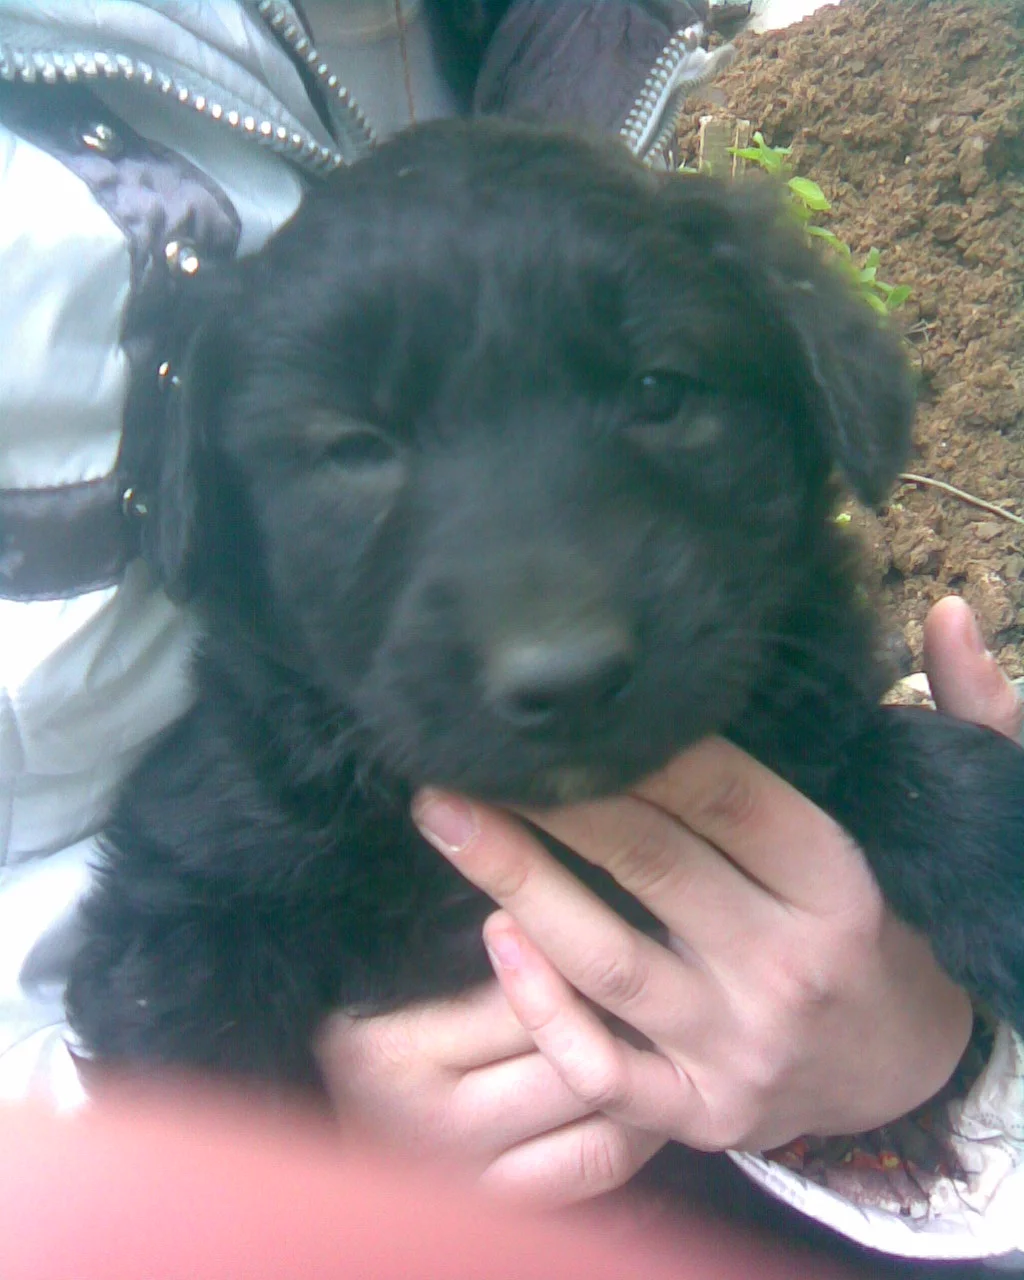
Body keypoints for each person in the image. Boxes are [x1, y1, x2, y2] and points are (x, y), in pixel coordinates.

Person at [0, 0, 1021, 1270]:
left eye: (656, 393)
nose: (552, 640)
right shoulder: (259, 821)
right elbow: (164, 972)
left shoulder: (552, 41)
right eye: (357, 449)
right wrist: (273, 1199)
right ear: (218, 520)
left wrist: (949, 1052)